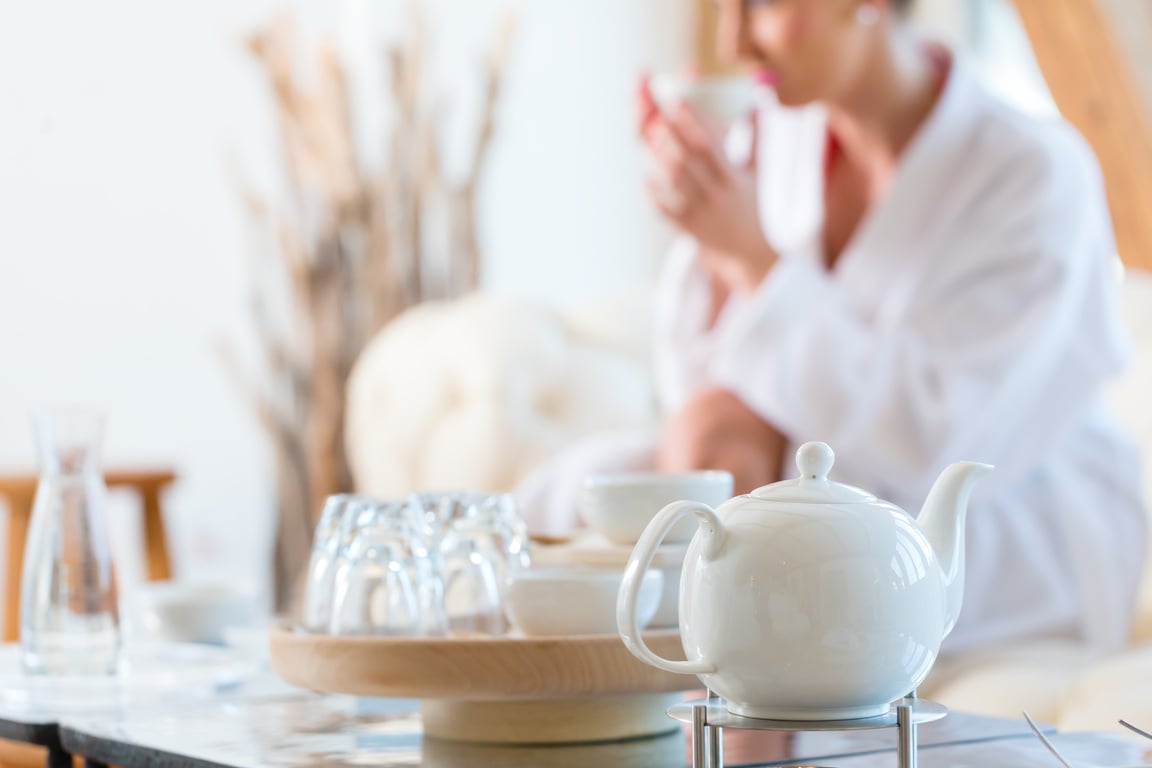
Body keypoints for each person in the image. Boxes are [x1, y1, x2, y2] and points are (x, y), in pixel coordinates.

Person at [517, 0, 1146, 657]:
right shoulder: (778, 134)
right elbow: (697, 388)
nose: (735, 42)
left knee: (692, 511)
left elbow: (933, 436)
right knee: (589, 495)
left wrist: (755, 260)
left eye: (760, 5)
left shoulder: (1034, 173)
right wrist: (707, 224)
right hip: (796, 481)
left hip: (998, 528)